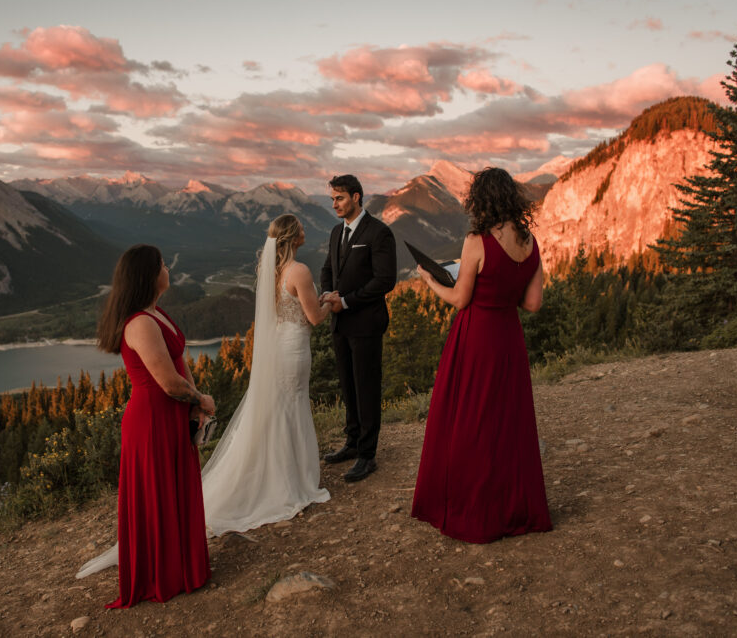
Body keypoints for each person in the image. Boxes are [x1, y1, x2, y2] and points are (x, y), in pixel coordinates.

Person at [411, 167, 552, 543]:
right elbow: (534, 304)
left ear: (480, 200)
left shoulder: (477, 240)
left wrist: (430, 281)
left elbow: (460, 299)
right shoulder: (530, 242)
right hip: (509, 338)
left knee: (472, 423)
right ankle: (513, 508)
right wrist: (506, 292)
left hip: (476, 339)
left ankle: (474, 511)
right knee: (508, 424)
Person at [82, 245, 214, 607]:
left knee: (174, 489)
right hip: (151, 420)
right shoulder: (140, 323)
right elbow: (167, 382)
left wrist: (196, 403)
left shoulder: (157, 313)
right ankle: (164, 575)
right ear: (149, 275)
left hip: (170, 415)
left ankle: (182, 567)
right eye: (163, 264)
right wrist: (202, 401)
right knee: (158, 494)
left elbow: (178, 365)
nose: (168, 268)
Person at [201, 214, 332, 535]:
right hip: (294, 349)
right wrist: (333, 303)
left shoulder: (269, 270)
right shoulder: (298, 271)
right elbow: (314, 317)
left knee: (279, 411)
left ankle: (277, 475)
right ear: (292, 237)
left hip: (279, 348)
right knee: (292, 408)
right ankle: (290, 482)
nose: (305, 229)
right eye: (301, 227)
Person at [319, 174, 397, 482]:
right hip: (340, 323)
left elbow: (385, 280)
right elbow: (328, 269)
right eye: (332, 199)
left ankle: (367, 455)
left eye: (339, 198)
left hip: (365, 323)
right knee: (348, 386)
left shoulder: (379, 233)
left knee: (366, 387)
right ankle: (351, 442)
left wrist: (347, 301)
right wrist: (327, 294)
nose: (335, 204)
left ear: (356, 197)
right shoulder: (336, 231)